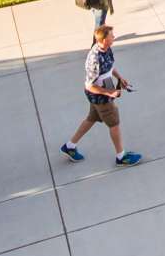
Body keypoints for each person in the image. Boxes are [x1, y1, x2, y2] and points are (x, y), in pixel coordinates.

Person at [60, 24, 143, 166]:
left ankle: (70, 146)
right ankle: (121, 157)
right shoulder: (95, 58)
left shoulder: (106, 49)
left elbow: (110, 66)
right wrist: (110, 92)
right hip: (100, 98)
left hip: (103, 94)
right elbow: (90, 86)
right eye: (111, 35)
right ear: (104, 39)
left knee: (91, 118)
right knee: (114, 124)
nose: (114, 37)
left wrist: (119, 78)